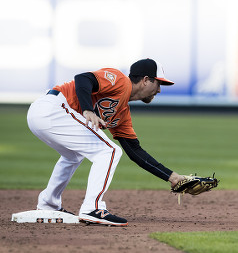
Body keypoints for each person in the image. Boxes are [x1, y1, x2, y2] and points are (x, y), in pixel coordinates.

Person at [27, 58, 186, 226]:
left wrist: (173, 177)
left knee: (73, 156)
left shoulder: (122, 112)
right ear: (146, 80)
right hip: (53, 107)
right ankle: (92, 208)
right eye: (158, 83)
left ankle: (48, 204)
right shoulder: (119, 80)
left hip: (46, 115)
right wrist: (88, 109)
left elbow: (135, 151)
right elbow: (83, 78)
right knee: (109, 151)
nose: (159, 90)